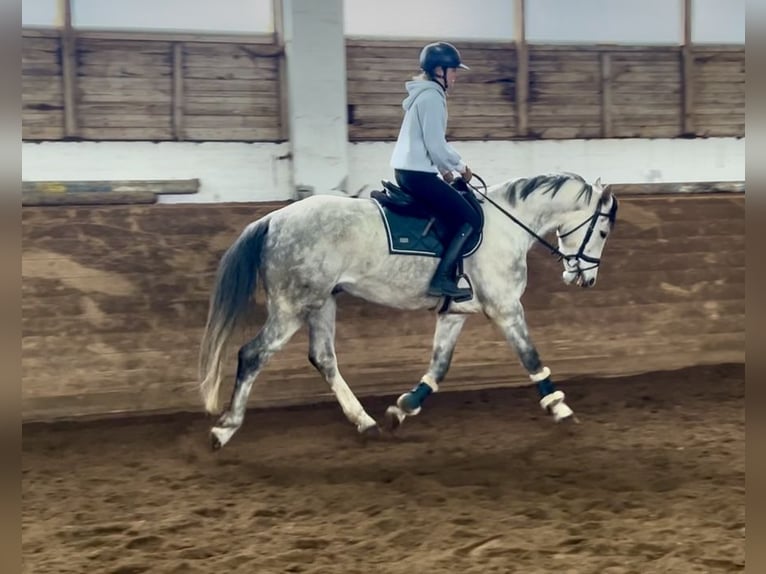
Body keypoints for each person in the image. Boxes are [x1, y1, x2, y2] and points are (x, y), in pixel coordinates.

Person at [390, 41, 480, 302]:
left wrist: (444, 171)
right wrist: (460, 167)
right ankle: (441, 279)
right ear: (439, 70)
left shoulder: (425, 95)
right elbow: (436, 144)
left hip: (411, 171)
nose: (456, 76)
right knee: (471, 218)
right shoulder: (432, 98)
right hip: (418, 175)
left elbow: (426, 142)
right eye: (453, 70)